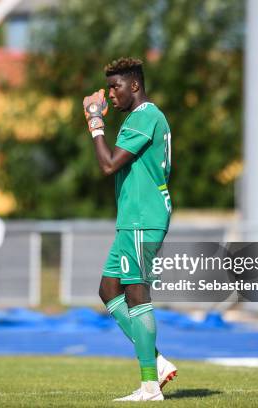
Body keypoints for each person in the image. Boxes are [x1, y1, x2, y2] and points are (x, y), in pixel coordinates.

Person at [82, 57, 176, 402]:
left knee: (136, 293)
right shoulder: (143, 117)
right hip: (132, 218)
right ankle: (157, 362)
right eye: (108, 87)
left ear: (134, 85)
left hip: (143, 216)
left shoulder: (145, 116)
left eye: (115, 86)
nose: (111, 94)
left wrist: (95, 122)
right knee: (109, 289)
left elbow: (108, 164)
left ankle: (151, 385)